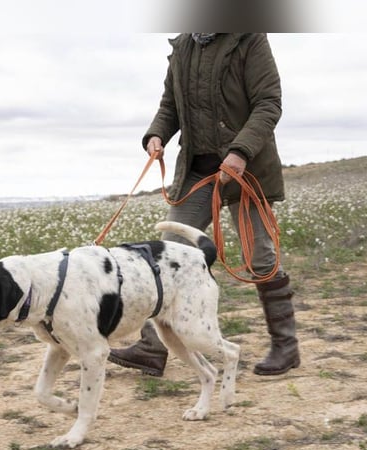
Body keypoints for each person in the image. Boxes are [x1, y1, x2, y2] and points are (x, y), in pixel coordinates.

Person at [108, 32, 300, 377]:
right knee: (167, 256)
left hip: (248, 168)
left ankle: (285, 346)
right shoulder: (183, 46)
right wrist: (157, 134)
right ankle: (153, 349)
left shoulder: (249, 37)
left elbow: (269, 103)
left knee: (260, 258)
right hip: (198, 170)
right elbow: (170, 106)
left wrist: (240, 152)